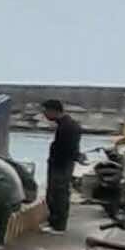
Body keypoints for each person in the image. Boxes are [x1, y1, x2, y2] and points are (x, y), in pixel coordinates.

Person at [41, 98, 83, 233]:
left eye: (46, 112)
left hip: (61, 165)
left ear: (53, 111)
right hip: (62, 164)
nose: (45, 115)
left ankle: (58, 225)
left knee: (58, 194)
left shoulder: (67, 127)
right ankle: (55, 222)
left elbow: (68, 148)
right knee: (57, 194)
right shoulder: (67, 124)